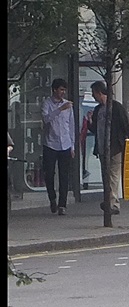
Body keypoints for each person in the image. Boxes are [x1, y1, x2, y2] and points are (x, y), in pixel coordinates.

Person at [91, 80, 129, 215]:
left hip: (115, 147)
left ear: (99, 92)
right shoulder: (98, 110)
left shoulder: (116, 107)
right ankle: (109, 201)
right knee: (106, 177)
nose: (93, 96)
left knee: (113, 176)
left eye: (93, 93)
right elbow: (95, 129)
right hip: (103, 148)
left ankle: (113, 204)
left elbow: (125, 126)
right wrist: (89, 121)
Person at [40, 78, 74, 215]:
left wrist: (73, 146)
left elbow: (71, 126)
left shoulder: (68, 105)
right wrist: (59, 109)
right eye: (61, 89)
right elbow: (46, 119)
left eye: (64, 90)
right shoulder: (47, 104)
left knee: (64, 175)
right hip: (50, 143)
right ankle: (52, 198)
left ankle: (62, 205)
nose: (63, 92)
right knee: (49, 173)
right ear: (54, 90)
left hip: (65, 144)